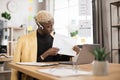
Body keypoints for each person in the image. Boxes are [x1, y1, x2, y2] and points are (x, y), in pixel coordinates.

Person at [11, 10, 80, 80]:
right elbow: (17, 67)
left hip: (52, 76)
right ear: (40, 26)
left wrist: (70, 53)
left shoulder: (55, 39)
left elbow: (59, 61)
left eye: (52, 25)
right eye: (48, 26)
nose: (52, 28)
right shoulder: (24, 40)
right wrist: (46, 54)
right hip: (33, 77)